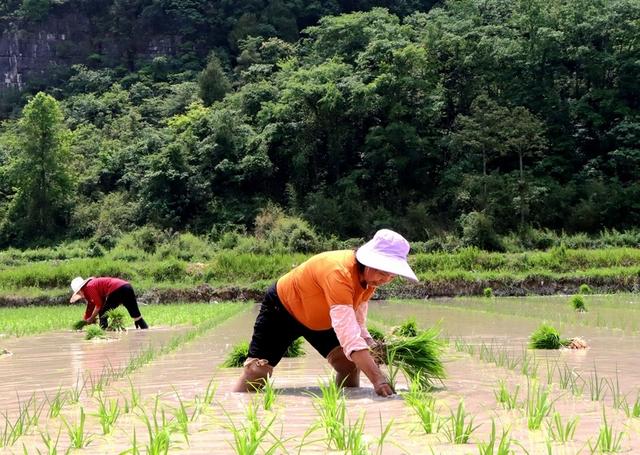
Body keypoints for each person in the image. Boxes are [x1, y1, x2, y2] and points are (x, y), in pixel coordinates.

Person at [233, 229, 418, 397]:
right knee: (257, 372)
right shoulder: (339, 272)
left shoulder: (370, 283)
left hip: (322, 316)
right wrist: (378, 380)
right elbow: (350, 338)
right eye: (383, 273)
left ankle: (345, 411)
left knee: (349, 365)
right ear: (369, 262)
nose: (385, 280)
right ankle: (233, 406)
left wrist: (370, 343)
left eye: (392, 276)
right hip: (283, 308)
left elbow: (357, 322)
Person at [70, 277, 149, 330]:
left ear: (80, 290)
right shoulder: (91, 286)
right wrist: (85, 321)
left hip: (117, 289)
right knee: (137, 317)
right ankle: (145, 331)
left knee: (103, 312)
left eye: (79, 293)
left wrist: (91, 318)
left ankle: (103, 333)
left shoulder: (89, 287)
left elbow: (99, 305)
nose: (80, 295)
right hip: (127, 287)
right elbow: (91, 306)